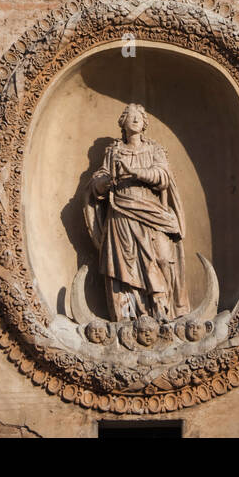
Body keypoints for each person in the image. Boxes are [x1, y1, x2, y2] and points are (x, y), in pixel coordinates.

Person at [84, 104, 190, 321]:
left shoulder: (155, 150)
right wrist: (106, 182)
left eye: (139, 116)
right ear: (123, 123)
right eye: (130, 116)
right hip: (121, 213)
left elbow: (163, 177)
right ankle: (130, 315)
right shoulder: (113, 152)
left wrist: (134, 172)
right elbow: (96, 185)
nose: (135, 119)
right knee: (127, 268)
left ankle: (163, 310)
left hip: (151, 211)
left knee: (162, 258)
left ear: (144, 123)